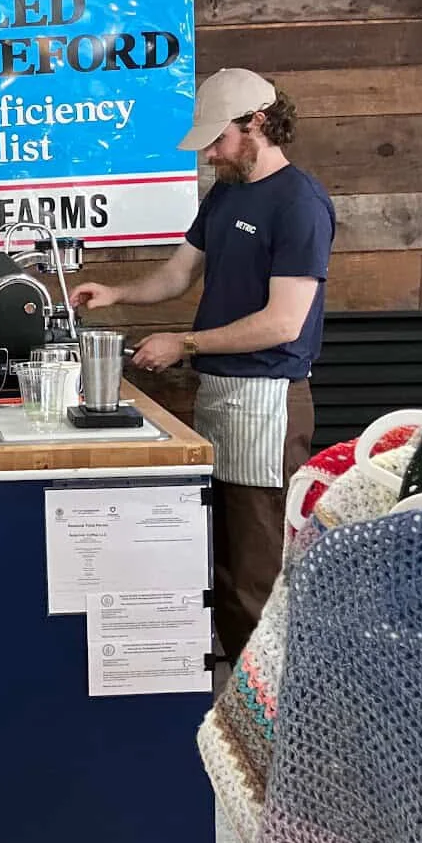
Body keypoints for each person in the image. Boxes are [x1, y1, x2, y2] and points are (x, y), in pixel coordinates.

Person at [71, 69, 335, 663]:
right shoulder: (227, 193)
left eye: (219, 139)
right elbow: (175, 275)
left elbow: (283, 322)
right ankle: (239, 703)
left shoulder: (300, 203)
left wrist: (185, 344)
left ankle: (272, 714)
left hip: (268, 400)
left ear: (258, 124)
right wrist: (115, 295)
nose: (211, 153)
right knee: (220, 557)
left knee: (254, 570)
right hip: (221, 394)